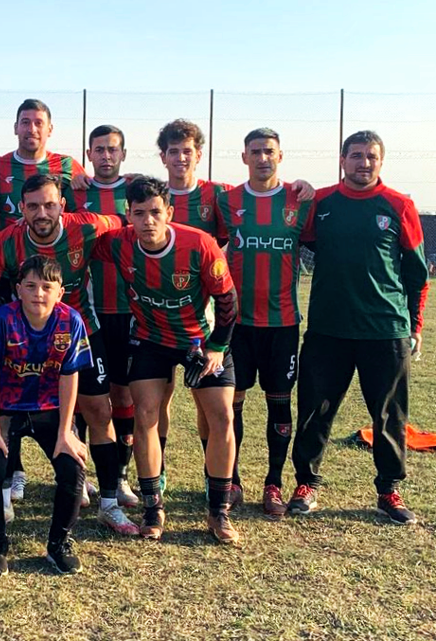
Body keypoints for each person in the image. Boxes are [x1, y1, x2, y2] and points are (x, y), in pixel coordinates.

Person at [0, 174, 134, 537]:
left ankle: (110, 502)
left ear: (62, 206)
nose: (42, 212)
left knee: (99, 410)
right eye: (33, 206)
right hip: (24, 337)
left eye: (49, 204)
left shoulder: (89, 226)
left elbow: (124, 222)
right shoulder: (8, 241)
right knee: (7, 413)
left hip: (81, 329)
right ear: (22, 209)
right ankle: (0, 504)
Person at [289, 130, 427, 525]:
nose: (363, 163)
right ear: (342, 159)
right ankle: (306, 483)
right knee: (315, 410)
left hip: (385, 331)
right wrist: (300, 188)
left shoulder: (399, 205)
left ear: (381, 162)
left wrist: (414, 325)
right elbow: (290, 221)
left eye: (371, 156)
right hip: (328, 330)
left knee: (389, 415)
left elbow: (418, 274)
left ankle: (388, 490)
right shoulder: (323, 203)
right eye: (356, 156)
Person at [92, 176, 240, 544]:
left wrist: (217, 346)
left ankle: (218, 510)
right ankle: (153, 507)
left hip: (200, 341)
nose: (148, 221)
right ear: (128, 215)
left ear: (169, 213)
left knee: (221, 415)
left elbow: (228, 301)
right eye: (139, 213)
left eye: (155, 212)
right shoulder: (118, 243)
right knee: (145, 415)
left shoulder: (199, 244)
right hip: (151, 339)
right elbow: (74, 242)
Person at [214, 128, 314, 519]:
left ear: (280, 156)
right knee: (231, 404)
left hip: (283, 324)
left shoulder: (299, 201)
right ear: (244, 157)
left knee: (279, 404)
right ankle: (232, 480)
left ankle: (273, 482)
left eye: (269, 151)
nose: (262, 158)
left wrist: (308, 187)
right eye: (255, 152)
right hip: (238, 325)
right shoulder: (227, 202)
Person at [0, 255, 93, 575]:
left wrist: (67, 431)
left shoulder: (71, 321)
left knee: (73, 467)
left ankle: (59, 544)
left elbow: (70, 376)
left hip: (49, 408)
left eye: (46, 287)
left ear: (60, 293)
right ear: (18, 290)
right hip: (7, 408)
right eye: (30, 286)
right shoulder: (2, 318)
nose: (38, 293)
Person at [66, 124, 138, 509]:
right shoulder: (75, 192)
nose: (106, 156)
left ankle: (121, 476)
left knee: (123, 395)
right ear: (88, 155)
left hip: (130, 310)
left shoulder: (137, 190)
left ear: (123, 154)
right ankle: (80, 478)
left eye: (113, 149)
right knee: (82, 397)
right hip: (88, 313)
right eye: (99, 150)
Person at [0, 99, 87, 229]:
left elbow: (83, 211)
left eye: (39, 123)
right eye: (25, 122)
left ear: (50, 129)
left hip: (54, 247)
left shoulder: (68, 165)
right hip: (12, 248)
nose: (32, 129)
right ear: (16, 128)